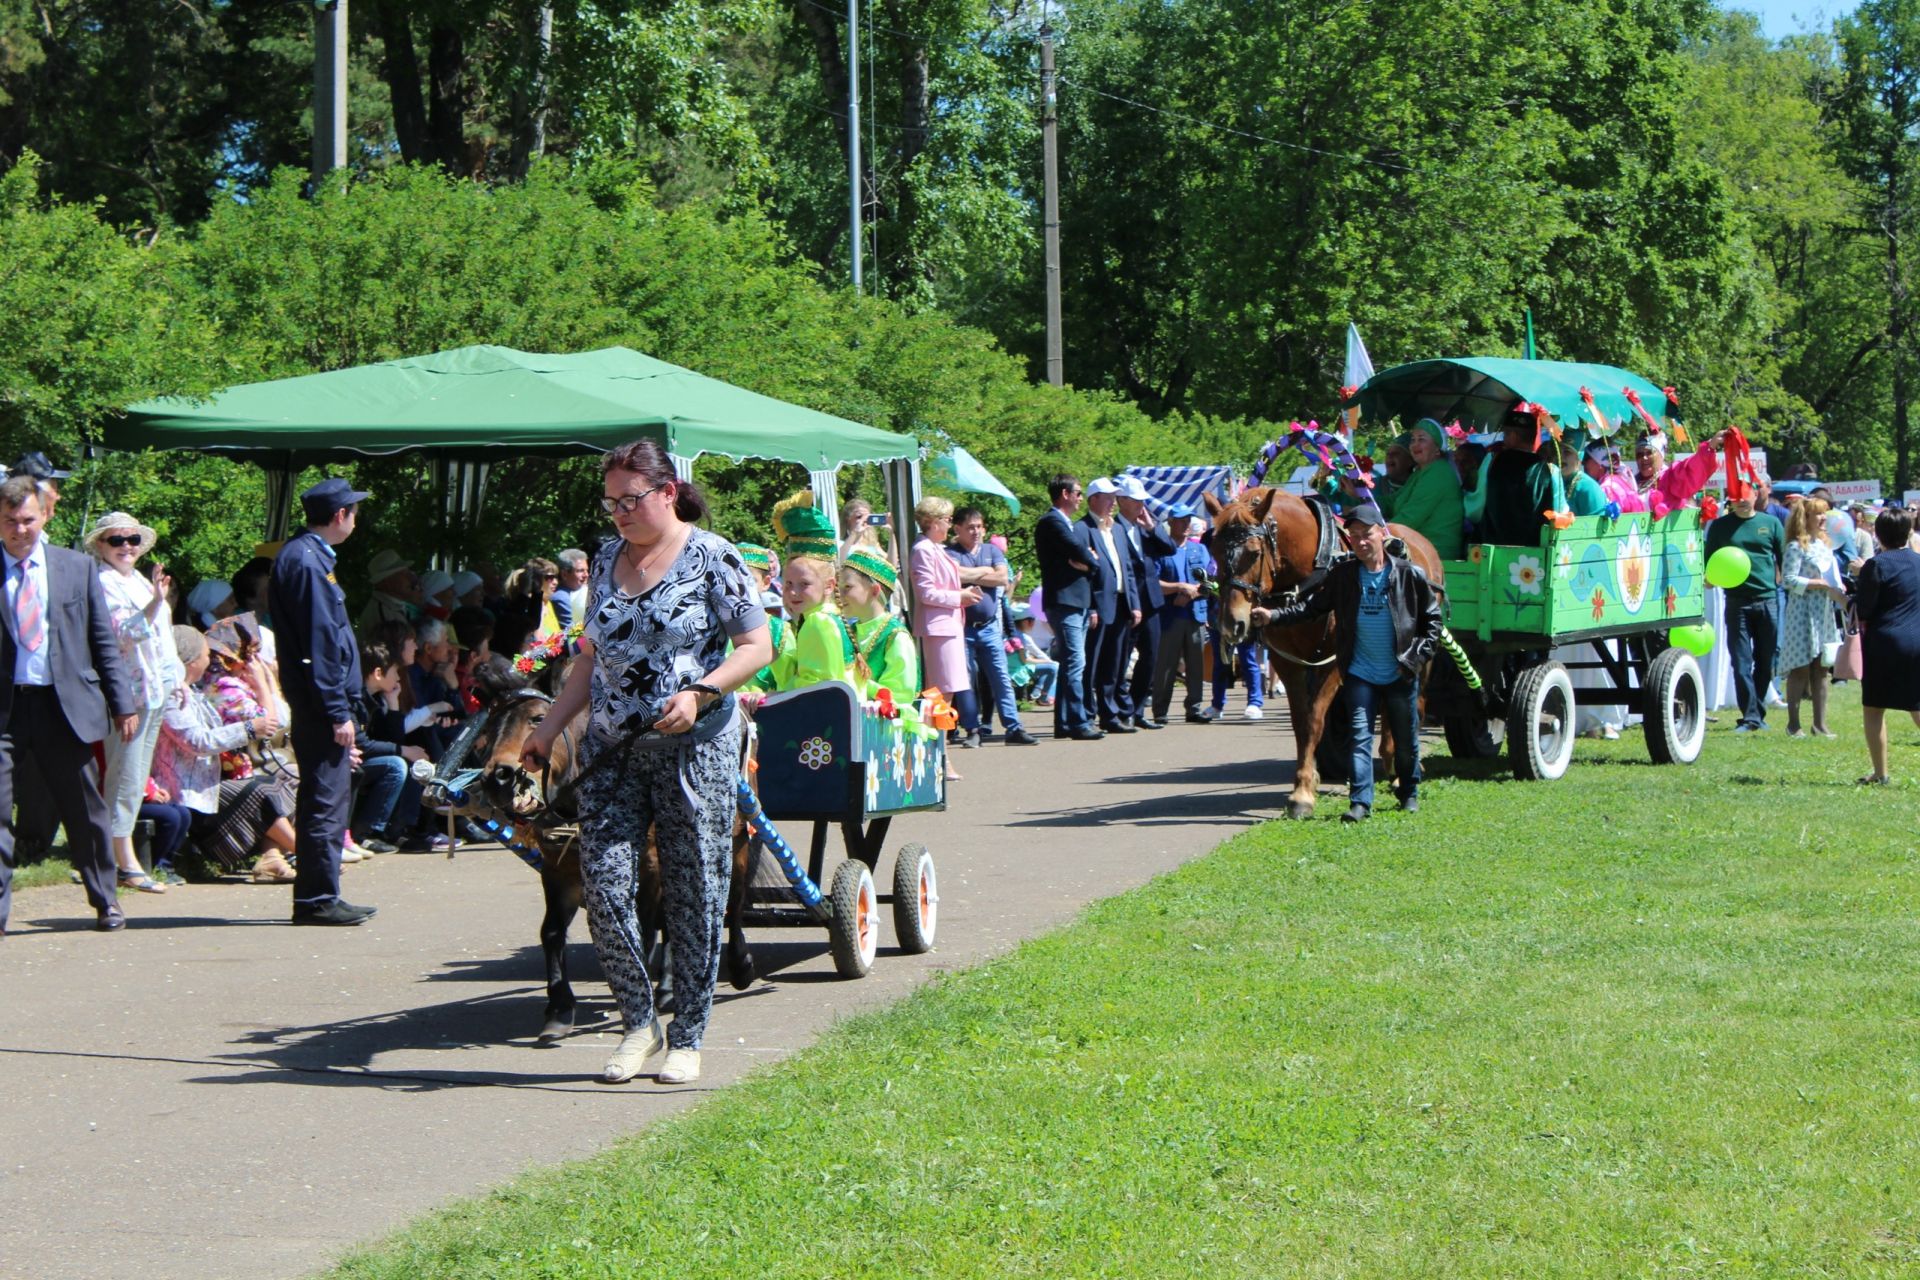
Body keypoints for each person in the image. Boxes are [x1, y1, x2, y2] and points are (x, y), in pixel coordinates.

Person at [520, 437, 771, 1086]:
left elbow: (757, 646)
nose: (620, 514)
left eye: (631, 499)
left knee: (694, 892)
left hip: (695, 747)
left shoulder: (715, 557)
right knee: (603, 887)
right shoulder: (605, 559)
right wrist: (547, 730)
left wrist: (702, 691)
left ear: (666, 493)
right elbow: (589, 659)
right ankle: (638, 1024)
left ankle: (686, 1036)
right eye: (611, 503)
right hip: (614, 751)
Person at [0, 475, 140, 933]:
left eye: (27, 520)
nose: (19, 530)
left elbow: (102, 637)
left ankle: (106, 901)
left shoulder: (75, 568)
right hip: (6, 710)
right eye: (9, 521)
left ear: (45, 517)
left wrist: (123, 704)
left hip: (63, 707)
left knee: (85, 810)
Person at [1255, 504, 1443, 822]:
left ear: (1381, 534)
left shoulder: (1409, 574)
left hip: (1398, 672)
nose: (1360, 541)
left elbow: (1433, 624)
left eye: (1366, 534)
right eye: (1354, 535)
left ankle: (1409, 793)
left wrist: (1412, 660)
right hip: (1359, 672)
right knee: (1359, 738)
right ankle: (1360, 803)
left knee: (1406, 738)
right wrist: (1272, 615)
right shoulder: (1343, 576)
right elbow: (1310, 608)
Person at [270, 477, 377, 926]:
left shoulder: (307, 556)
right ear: (340, 516)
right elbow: (319, 642)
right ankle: (317, 899)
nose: (354, 518)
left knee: (327, 797)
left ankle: (322, 892)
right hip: (320, 704)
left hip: (319, 700)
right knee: (325, 801)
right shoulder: (308, 562)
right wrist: (337, 709)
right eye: (353, 510)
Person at [152, 625, 298, 883]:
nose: (210, 661)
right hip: (185, 792)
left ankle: (273, 857)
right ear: (191, 660)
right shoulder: (174, 697)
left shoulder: (191, 693)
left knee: (282, 780)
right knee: (259, 789)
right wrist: (249, 728)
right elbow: (198, 741)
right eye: (207, 655)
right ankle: (310, 855)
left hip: (206, 784)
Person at [86, 511, 180, 895]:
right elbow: (123, 636)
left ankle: (118, 857)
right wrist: (156, 602)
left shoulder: (138, 580)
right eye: (116, 540)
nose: (126, 547)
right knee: (124, 778)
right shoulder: (103, 582)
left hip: (153, 691)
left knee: (136, 778)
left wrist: (177, 679)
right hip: (127, 694)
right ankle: (120, 861)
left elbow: (163, 636)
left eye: (132, 540)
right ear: (101, 546)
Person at [946, 506, 1037, 745]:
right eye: (970, 527)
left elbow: (1001, 579)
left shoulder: (992, 550)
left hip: (989, 627)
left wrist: (970, 575)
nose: (976, 532)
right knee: (965, 679)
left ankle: (1013, 727)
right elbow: (951, 577)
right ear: (957, 529)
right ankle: (972, 729)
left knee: (1001, 677)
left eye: (979, 527)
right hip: (962, 627)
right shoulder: (949, 553)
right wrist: (984, 572)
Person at [909, 496, 984, 772]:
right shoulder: (923, 550)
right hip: (938, 627)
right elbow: (925, 592)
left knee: (944, 694)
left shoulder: (934, 548)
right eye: (947, 519)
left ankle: (936, 754)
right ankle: (937, 757)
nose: (950, 524)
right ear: (932, 521)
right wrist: (959, 596)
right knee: (940, 695)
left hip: (947, 626)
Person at [1705, 483, 1787, 734]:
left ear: (1756, 495)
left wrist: (1781, 583)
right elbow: (1709, 561)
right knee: (1741, 662)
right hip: (1736, 603)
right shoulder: (1720, 526)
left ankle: (1757, 712)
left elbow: (1783, 556)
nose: (1741, 500)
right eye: (1736, 496)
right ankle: (1750, 716)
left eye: (1746, 495)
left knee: (1767, 660)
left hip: (1768, 600)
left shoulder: (1771, 523)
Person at [1034, 473, 1104, 740]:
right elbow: (1083, 552)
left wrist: (1086, 561)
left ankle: (1064, 722)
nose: (1080, 498)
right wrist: (1090, 561)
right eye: (1078, 493)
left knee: (1071, 663)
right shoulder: (1052, 522)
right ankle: (1078, 722)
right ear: (1065, 494)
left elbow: (1084, 556)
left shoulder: (1065, 523)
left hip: (1077, 602)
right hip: (1065, 602)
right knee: (1076, 661)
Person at [1854, 508, 1920, 785]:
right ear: (1908, 533)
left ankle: (1881, 773)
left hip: (1884, 642)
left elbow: (1865, 609)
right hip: (1916, 639)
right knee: (1917, 707)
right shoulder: (1918, 561)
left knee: (1874, 708)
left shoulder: (1876, 565)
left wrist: (1845, 592)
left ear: (1877, 533)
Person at [347, 641, 427, 855]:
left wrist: (393, 703)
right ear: (378, 673)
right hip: (350, 760)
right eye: (395, 672)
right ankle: (367, 832)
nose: (399, 678)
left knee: (405, 761)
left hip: (363, 758)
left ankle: (398, 829)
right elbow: (361, 743)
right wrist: (404, 751)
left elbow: (392, 739)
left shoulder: (375, 699)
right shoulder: (355, 699)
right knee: (395, 764)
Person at [1778, 499, 1848, 738]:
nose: (1823, 518)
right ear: (1805, 518)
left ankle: (1820, 724)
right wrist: (1816, 583)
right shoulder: (1797, 547)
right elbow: (1787, 579)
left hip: (1824, 613)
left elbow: (1832, 577)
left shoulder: (1825, 546)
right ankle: (1793, 724)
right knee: (1800, 669)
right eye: (1817, 514)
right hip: (1802, 614)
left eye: (1824, 514)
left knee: (1822, 669)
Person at [1114, 476, 1175, 728]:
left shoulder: (1144, 526)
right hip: (1126, 602)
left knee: (1150, 656)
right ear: (1122, 500)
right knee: (1121, 658)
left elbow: (1169, 548)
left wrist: (1152, 528)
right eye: (1136, 500)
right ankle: (1118, 710)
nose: (1141, 505)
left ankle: (1137, 710)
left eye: (1143, 500)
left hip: (1150, 601)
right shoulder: (1113, 526)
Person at [1081, 478, 1141, 733]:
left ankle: (1110, 715)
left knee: (1114, 663)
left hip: (1120, 603)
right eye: (1107, 498)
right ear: (1093, 499)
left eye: (1114, 498)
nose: (1112, 504)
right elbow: (1084, 575)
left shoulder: (1116, 529)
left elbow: (1127, 570)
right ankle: (1087, 714)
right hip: (1099, 604)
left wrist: (1135, 603)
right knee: (1092, 663)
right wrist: (1091, 607)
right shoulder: (1083, 529)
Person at [1149, 503, 1212, 723]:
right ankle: (1160, 711)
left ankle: (1194, 708)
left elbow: (1210, 580)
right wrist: (1178, 588)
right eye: (1181, 520)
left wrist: (1192, 592)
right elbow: (1153, 583)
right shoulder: (1161, 550)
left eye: (1188, 520)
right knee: (1166, 666)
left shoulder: (1200, 549)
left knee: (1196, 665)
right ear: (1170, 523)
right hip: (1170, 617)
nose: (1186, 524)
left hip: (1195, 615)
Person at [837, 548, 921, 706]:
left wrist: (848, 681)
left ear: (875, 590)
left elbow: (898, 696)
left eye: (847, 587)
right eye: (839, 587)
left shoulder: (896, 637)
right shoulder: (847, 631)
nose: (839, 594)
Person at [1377, 419, 1466, 558]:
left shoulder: (1438, 472)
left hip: (1436, 555)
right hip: (1419, 550)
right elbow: (1391, 502)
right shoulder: (1420, 472)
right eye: (1413, 440)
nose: (1415, 444)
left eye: (1421, 439)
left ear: (1437, 448)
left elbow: (1411, 517)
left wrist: (1375, 533)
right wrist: (1357, 494)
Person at [1478, 409, 1560, 545]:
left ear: (1513, 436)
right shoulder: (1550, 470)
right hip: (1534, 553)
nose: (1503, 438)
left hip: (1493, 547)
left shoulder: (1492, 460)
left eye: (1505, 434)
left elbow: (1476, 507)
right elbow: (1559, 511)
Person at [357, 549, 422, 630]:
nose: (410, 578)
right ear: (387, 581)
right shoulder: (383, 615)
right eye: (403, 574)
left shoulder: (391, 606)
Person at [553, 549, 589, 628]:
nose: (586, 575)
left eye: (586, 570)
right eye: (580, 571)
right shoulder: (561, 598)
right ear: (564, 574)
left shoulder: (586, 590)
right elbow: (571, 634)